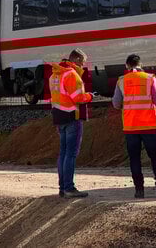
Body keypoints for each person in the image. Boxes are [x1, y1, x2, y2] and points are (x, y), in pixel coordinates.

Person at [112, 53, 156, 199]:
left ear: (127, 65)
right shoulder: (150, 78)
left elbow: (116, 104)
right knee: (155, 158)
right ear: (141, 64)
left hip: (130, 128)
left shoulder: (121, 81)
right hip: (149, 126)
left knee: (134, 159)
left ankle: (139, 190)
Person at [49, 49, 94, 198]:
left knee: (63, 153)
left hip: (59, 117)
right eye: (83, 61)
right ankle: (69, 187)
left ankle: (63, 187)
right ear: (77, 59)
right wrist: (90, 96)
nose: (83, 65)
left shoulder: (54, 74)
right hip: (71, 117)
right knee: (71, 154)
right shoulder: (71, 74)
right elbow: (78, 98)